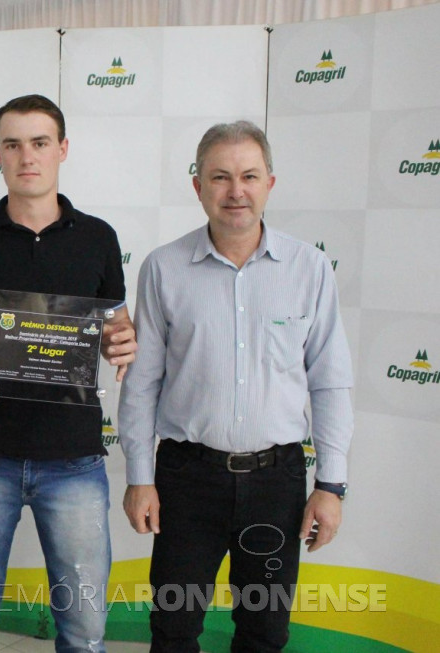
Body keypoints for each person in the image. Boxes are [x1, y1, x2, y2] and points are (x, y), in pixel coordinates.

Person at [118, 121, 354, 652]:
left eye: (249, 175)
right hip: (186, 479)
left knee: (264, 632)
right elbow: (142, 382)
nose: (236, 191)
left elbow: (331, 382)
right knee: (174, 629)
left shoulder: (310, 268)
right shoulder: (163, 268)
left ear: (271, 181)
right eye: (219, 177)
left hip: (278, 482)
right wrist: (139, 477)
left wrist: (331, 485)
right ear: (197, 185)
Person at [0, 94, 138, 652]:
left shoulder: (99, 238)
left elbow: (114, 325)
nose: (28, 156)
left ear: (63, 149)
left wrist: (122, 338)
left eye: (41, 142)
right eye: (14, 144)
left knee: (85, 629)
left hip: (74, 460)